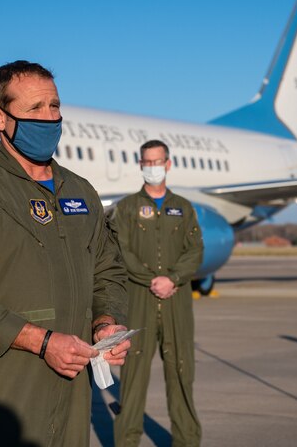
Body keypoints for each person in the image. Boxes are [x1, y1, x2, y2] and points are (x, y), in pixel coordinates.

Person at [0, 60, 131, 447]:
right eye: (35, 109)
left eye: (54, 106)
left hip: (73, 386)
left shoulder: (81, 191)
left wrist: (106, 322)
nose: (49, 118)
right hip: (7, 384)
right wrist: (41, 341)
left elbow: (108, 270)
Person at [111, 140, 204, 447]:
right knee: (133, 378)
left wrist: (173, 278)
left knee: (181, 374)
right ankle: (126, 441)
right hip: (140, 299)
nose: (152, 167)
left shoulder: (184, 208)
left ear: (168, 164)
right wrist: (153, 280)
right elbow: (121, 251)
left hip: (176, 301)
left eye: (157, 161)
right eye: (146, 161)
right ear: (141, 165)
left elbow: (195, 251)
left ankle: (187, 441)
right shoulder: (126, 209)